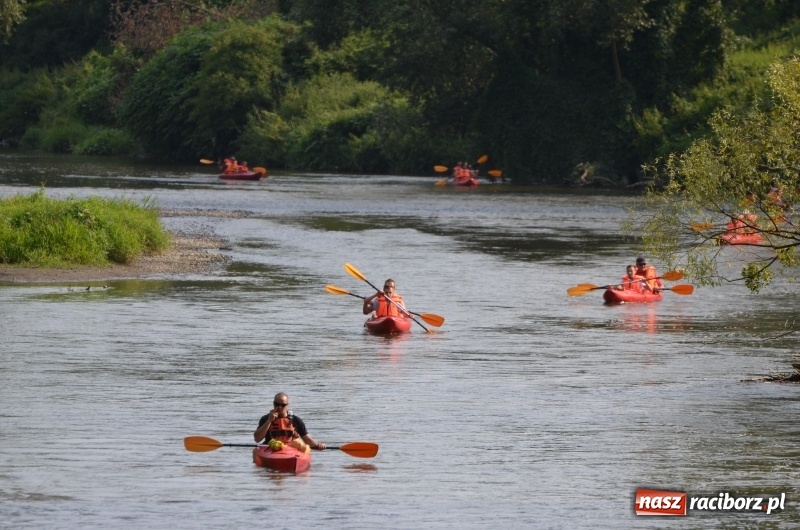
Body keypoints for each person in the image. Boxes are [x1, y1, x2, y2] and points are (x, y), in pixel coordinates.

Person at [253, 392, 326, 452]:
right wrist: (269, 421)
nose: (279, 407)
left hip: (290, 451)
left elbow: (307, 440)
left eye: (282, 405)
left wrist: (318, 446)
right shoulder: (265, 419)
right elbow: (257, 439)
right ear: (273, 403)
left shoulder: (296, 420)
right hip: (272, 449)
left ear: (287, 405)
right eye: (277, 404)